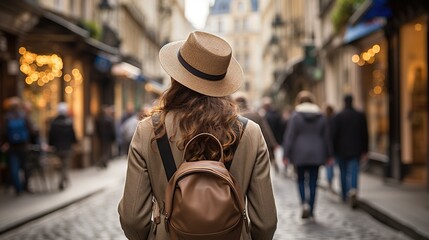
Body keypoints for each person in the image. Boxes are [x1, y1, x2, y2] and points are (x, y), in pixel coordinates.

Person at [118, 31, 277, 240]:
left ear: (176, 77)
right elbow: (266, 223)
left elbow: (132, 220)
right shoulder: (250, 133)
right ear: (222, 83)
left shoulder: (149, 130)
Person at [283, 91, 333, 219]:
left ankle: (304, 203)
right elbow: (327, 137)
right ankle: (311, 207)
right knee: (313, 181)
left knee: (300, 179)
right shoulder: (321, 116)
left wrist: (286, 154)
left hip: (299, 152)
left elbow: (290, 136)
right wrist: (329, 154)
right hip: (317, 152)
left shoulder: (295, 116)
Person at [331, 95, 368, 208]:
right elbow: (365, 134)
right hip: (356, 149)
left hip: (341, 149)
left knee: (343, 172)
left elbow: (334, 135)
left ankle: (344, 194)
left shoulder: (338, 116)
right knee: (354, 171)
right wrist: (365, 149)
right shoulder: (360, 115)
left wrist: (333, 150)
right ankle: (353, 190)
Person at [233, 92, 279, 173]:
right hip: (255, 151)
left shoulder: (231, 118)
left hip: (238, 155)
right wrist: (272, 146)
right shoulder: (256, 115)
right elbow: (266, 133)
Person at [0, 97, 34, 195]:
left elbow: (3, 132)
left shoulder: (7, 117)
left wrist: (4, 143)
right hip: (24, 146)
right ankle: (25, 186)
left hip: (12, 146)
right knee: (26, 167)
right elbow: (31, 130)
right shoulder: (23, 116)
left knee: (14, 169)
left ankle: (18, 189)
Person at [48, 102, 77, 190]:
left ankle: (65, 179)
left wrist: (51, 144)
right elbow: (73, 135)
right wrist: (73, 143)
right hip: (67, 147)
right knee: (65, 165)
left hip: (57, 147)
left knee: (62, 165)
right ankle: (62, 180)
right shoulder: (68, 122)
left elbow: (51, 135)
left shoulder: (54, 122)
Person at [324, 104, 335, 192]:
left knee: (329, 165)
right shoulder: (335, 120)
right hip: (334, 146)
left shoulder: (323, 120)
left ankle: (329, 181)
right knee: (332, 164)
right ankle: (330, 180)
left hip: (326, 146)